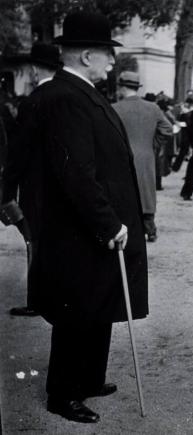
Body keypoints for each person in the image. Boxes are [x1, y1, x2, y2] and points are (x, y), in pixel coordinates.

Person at [19, 12, 148, 423]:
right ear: (88, 55)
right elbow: (76, 172)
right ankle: (64, 392)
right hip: (81, 228)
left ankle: (90, 377)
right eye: (108, 55)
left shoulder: (77, 91)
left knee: (98, 304)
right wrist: (107, 223)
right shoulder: (66, 97)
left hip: (94, 226)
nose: (113, 62)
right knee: (78, 310)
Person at [0, 43, 62, 317]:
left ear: (36, 69)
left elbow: (18, 153)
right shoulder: (71, 97)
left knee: (33, 243)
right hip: (64, 187)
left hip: (36, 189)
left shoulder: (33, 101)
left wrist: (6, 192)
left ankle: (37, 300)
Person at [113, 71, 173, 242]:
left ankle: (127, 229)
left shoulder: (114, 108)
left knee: (126, 193)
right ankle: (150, 228)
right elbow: (167, 129)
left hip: (123, 157)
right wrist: (153, 144)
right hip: (146, 156)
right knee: (146, 192)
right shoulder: (153, 108)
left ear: (122, 87)